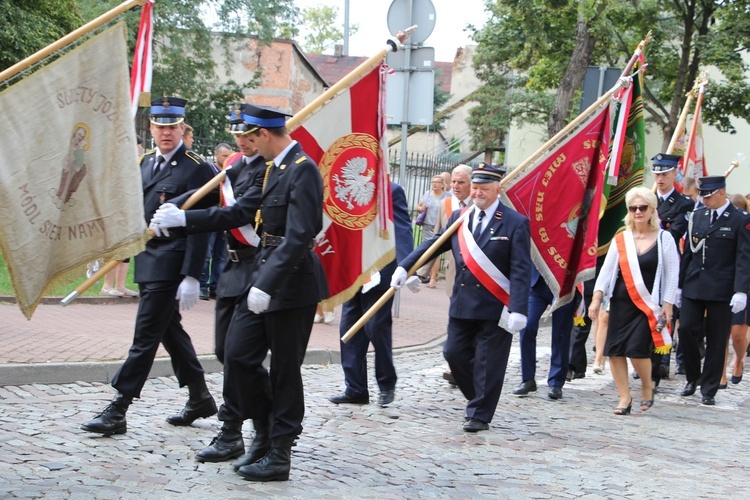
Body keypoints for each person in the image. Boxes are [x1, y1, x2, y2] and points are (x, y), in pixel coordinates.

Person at [151, 104, 328, 482]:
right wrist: (182, 214)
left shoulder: (302, 170)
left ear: (264, 134)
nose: (244, 145)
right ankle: (261, 429)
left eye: (249, 137)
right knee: (237, 354)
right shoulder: (275, 168)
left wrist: (266, 282)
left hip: (292, 281)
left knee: (284, 369)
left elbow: (299, 236)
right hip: (263, 271)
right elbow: (241, 209)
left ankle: (280, 451)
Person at [81, 97, 217, 436]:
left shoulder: (196, 167)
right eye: (160, 126)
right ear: (151, 128)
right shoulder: (143, 163)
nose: (166, 132)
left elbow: (201, 225)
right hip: (146, 261)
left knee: (145, 336)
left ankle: (119, 407)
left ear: (183, 128)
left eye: (172, 126)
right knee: (168, 331)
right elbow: (135, 215)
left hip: (172, 264)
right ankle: (200, 396)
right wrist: (119, 250)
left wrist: (191, 274)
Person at [392, 163, 532, 432]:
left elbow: (521, 268)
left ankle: (480, 412)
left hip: (495, 305)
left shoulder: (515, 222)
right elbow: (431, 244)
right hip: (463, 302)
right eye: (476, 188)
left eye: (484, 189)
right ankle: (479, 397)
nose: (478, 193)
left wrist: (519, 308)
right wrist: (404, 266)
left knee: (488, 361)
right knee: (453, 353)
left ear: (498, 189)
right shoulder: (461, 217)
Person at [589, 187, 680, 415]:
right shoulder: (622, 238)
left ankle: (647, 386)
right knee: (615, 350)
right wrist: (596, 298)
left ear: (652, 210)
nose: (638, 212)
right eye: (633, 208)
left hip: (647, 305)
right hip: (621, 302)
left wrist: (668, 304)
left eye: (642, 207)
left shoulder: (664, 238)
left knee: (638, 350)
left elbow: (672, 274)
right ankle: (624, 397)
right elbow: (607, 271)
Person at [329, 182, 414, 406]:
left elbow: (402, 229)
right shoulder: (346, 189)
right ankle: (355, 388)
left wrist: (408, 265)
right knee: (348, 328)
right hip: (354, 269)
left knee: (376, 327)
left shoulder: (392, 191)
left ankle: (386, 383)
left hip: (381, 270)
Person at [679, 176, 750, 405]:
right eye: (702, 195)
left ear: (721, 192)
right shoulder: (698, 216)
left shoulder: (740, 219)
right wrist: (679, 286)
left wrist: (741, 290)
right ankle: (692, 377)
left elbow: (743, 257)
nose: (704, 199)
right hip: (694, 284)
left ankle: (709, 388)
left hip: (722, 287)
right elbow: (689, 254)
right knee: (687, 330)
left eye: (708, 195)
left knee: (717, 340)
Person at [651, 153, 694, 382]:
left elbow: (673, 233)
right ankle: (649, 358)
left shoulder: (684, 203)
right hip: (645, 265)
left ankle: (662, 360)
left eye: (665, 173)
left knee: (667, 314)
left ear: (674, 174)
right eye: (657, 173)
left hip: (668, 265)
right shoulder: (646, 199)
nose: (660, 178)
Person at [512, 266, 580, 399]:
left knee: (561, 333)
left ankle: (556, 382)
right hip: (537, 284)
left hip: (564, 284)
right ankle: (528, 379)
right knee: (527, 326)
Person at [433, 164, 473, 386]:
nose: (455, 187)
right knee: (456, 321)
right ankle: (455, 366)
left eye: (461, 182)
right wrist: (418, 272)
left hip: (479, 275)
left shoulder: (480, 204)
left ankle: (468, 365)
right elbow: (437, 241)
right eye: (453, 183)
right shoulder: (445, 205)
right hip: (454, 275)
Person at [101, 137, 144, 298]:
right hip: (116, 211)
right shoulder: (116, 164)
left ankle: (120, 286)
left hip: (129, 212)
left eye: (139, 146)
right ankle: (107, 285)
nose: (140, 149)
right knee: (116, 249)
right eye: (137, 145)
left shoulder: (136, 165)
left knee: (127, 250)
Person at [719, 193, 750, 388]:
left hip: (744, 285)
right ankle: (720, 374)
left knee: (738, 335)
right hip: (722, 282)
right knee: (720, 332)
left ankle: (739, 359)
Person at [198, 143, 235, 300]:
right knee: (207, 253)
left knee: (221, 255)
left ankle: (216, 286)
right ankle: (202, 285)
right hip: (211, 217)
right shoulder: (209, 170)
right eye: (224, 155)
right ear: (216, 155)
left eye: (229, 155)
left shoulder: (231, 171)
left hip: (225, 217)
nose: (227, 158)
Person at [415, 175, 449, 287]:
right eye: (433, 182)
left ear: (442, 184)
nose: (434, 184)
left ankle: (433, 278)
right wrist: (421, 209)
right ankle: (428, 276)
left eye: (437, 182)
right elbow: (418, 207)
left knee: (436, 252)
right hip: (427, 225)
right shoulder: (427, 194)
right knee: (427, 251)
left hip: (439, 227)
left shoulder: (447, 197)